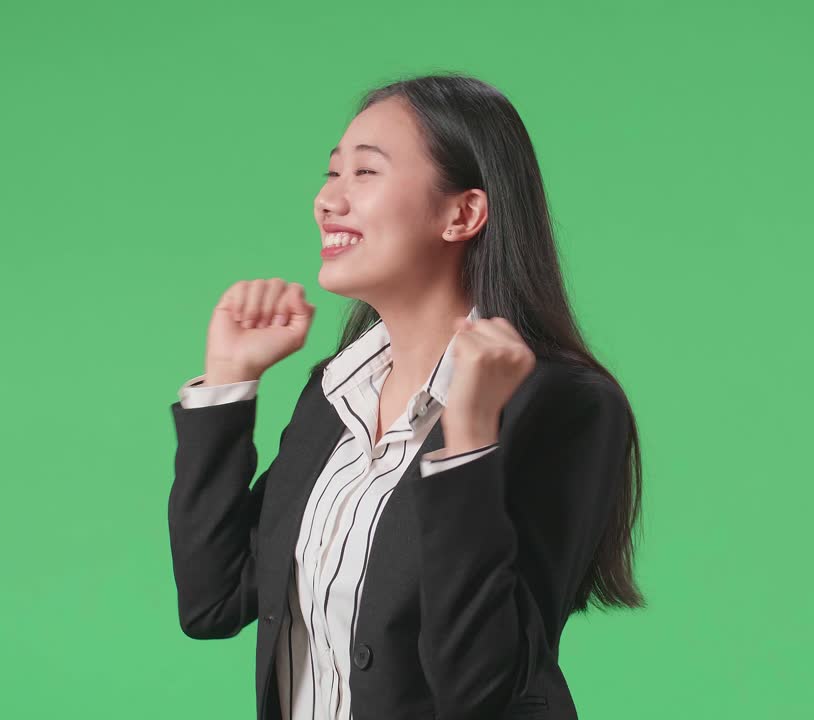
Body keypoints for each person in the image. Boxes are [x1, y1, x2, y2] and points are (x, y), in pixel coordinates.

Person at [167, 72, 645, 720]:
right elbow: (213, 599)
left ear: (463, 214)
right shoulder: (337, 394)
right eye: (331, 173)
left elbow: (481, 692)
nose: (326, 201)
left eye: (364, 174)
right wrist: (227, 382)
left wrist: (469, 441)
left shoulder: (566, 406)